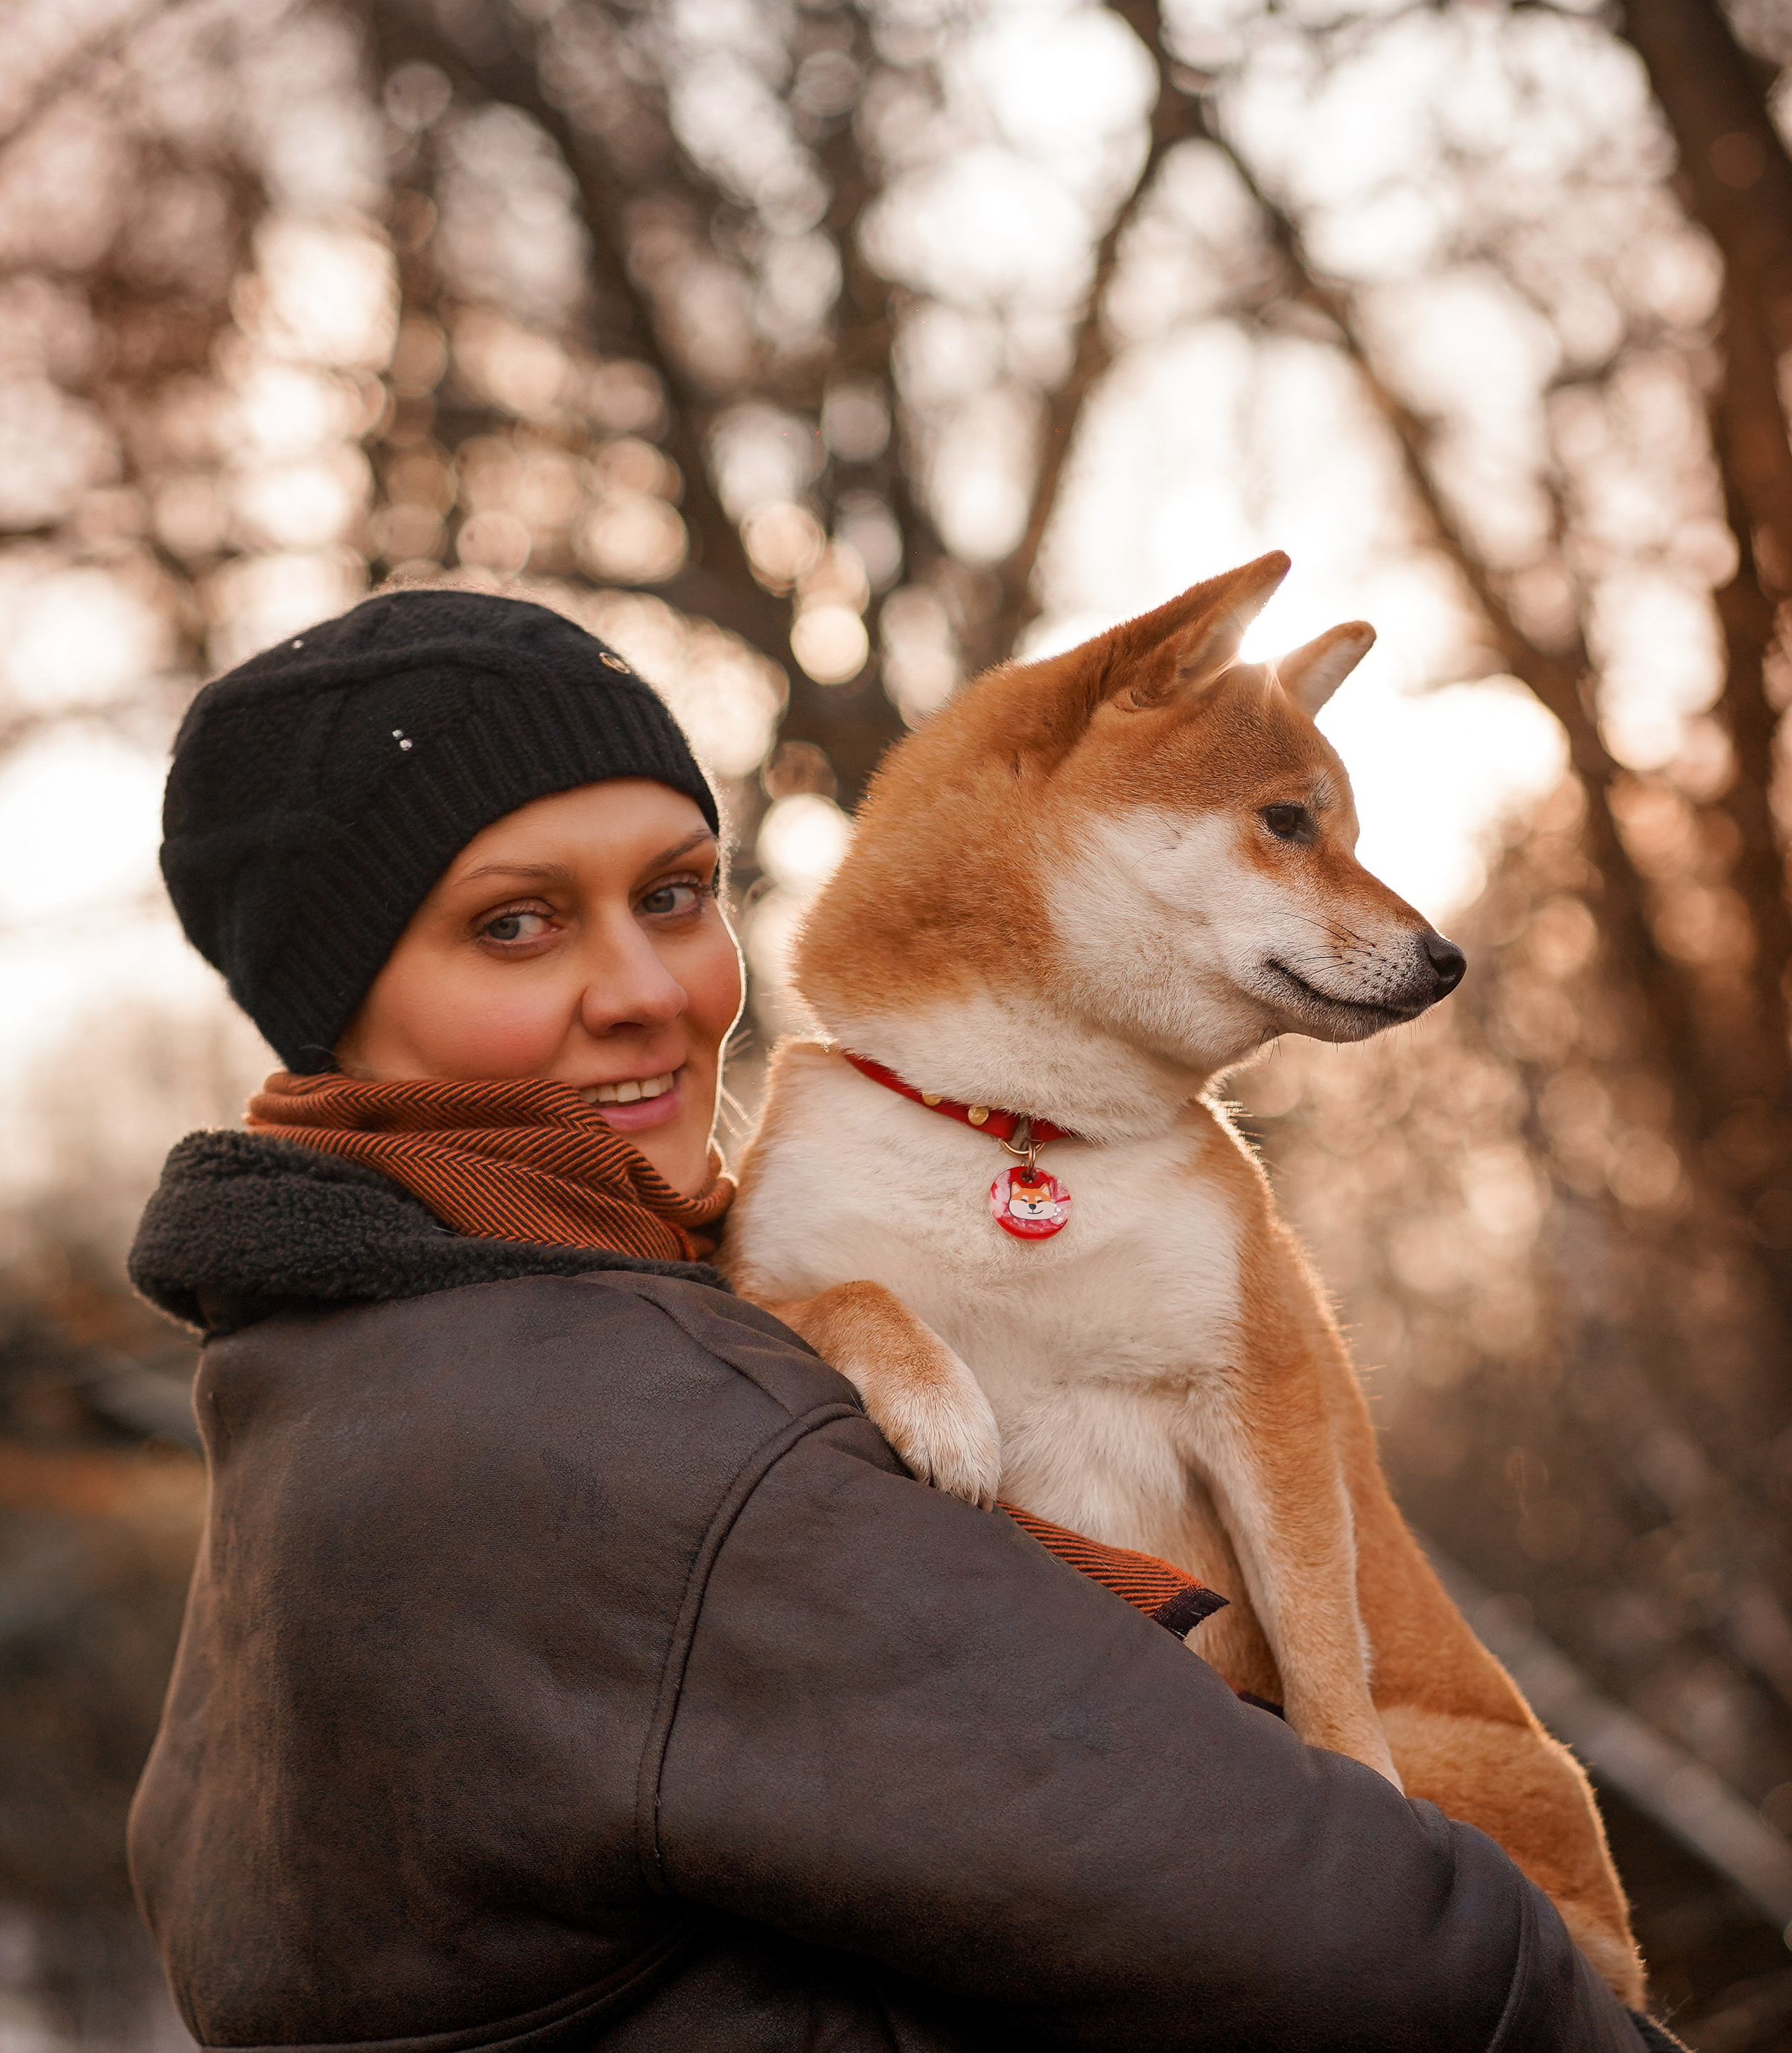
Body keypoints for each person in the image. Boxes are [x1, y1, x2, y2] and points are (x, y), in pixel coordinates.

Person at [127, 588, 1675, 2052]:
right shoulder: (632, 1433)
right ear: (330, 998)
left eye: (675, 895)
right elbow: (1339, 1923)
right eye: (515, 926)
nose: (648, 993)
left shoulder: (333, 1354)